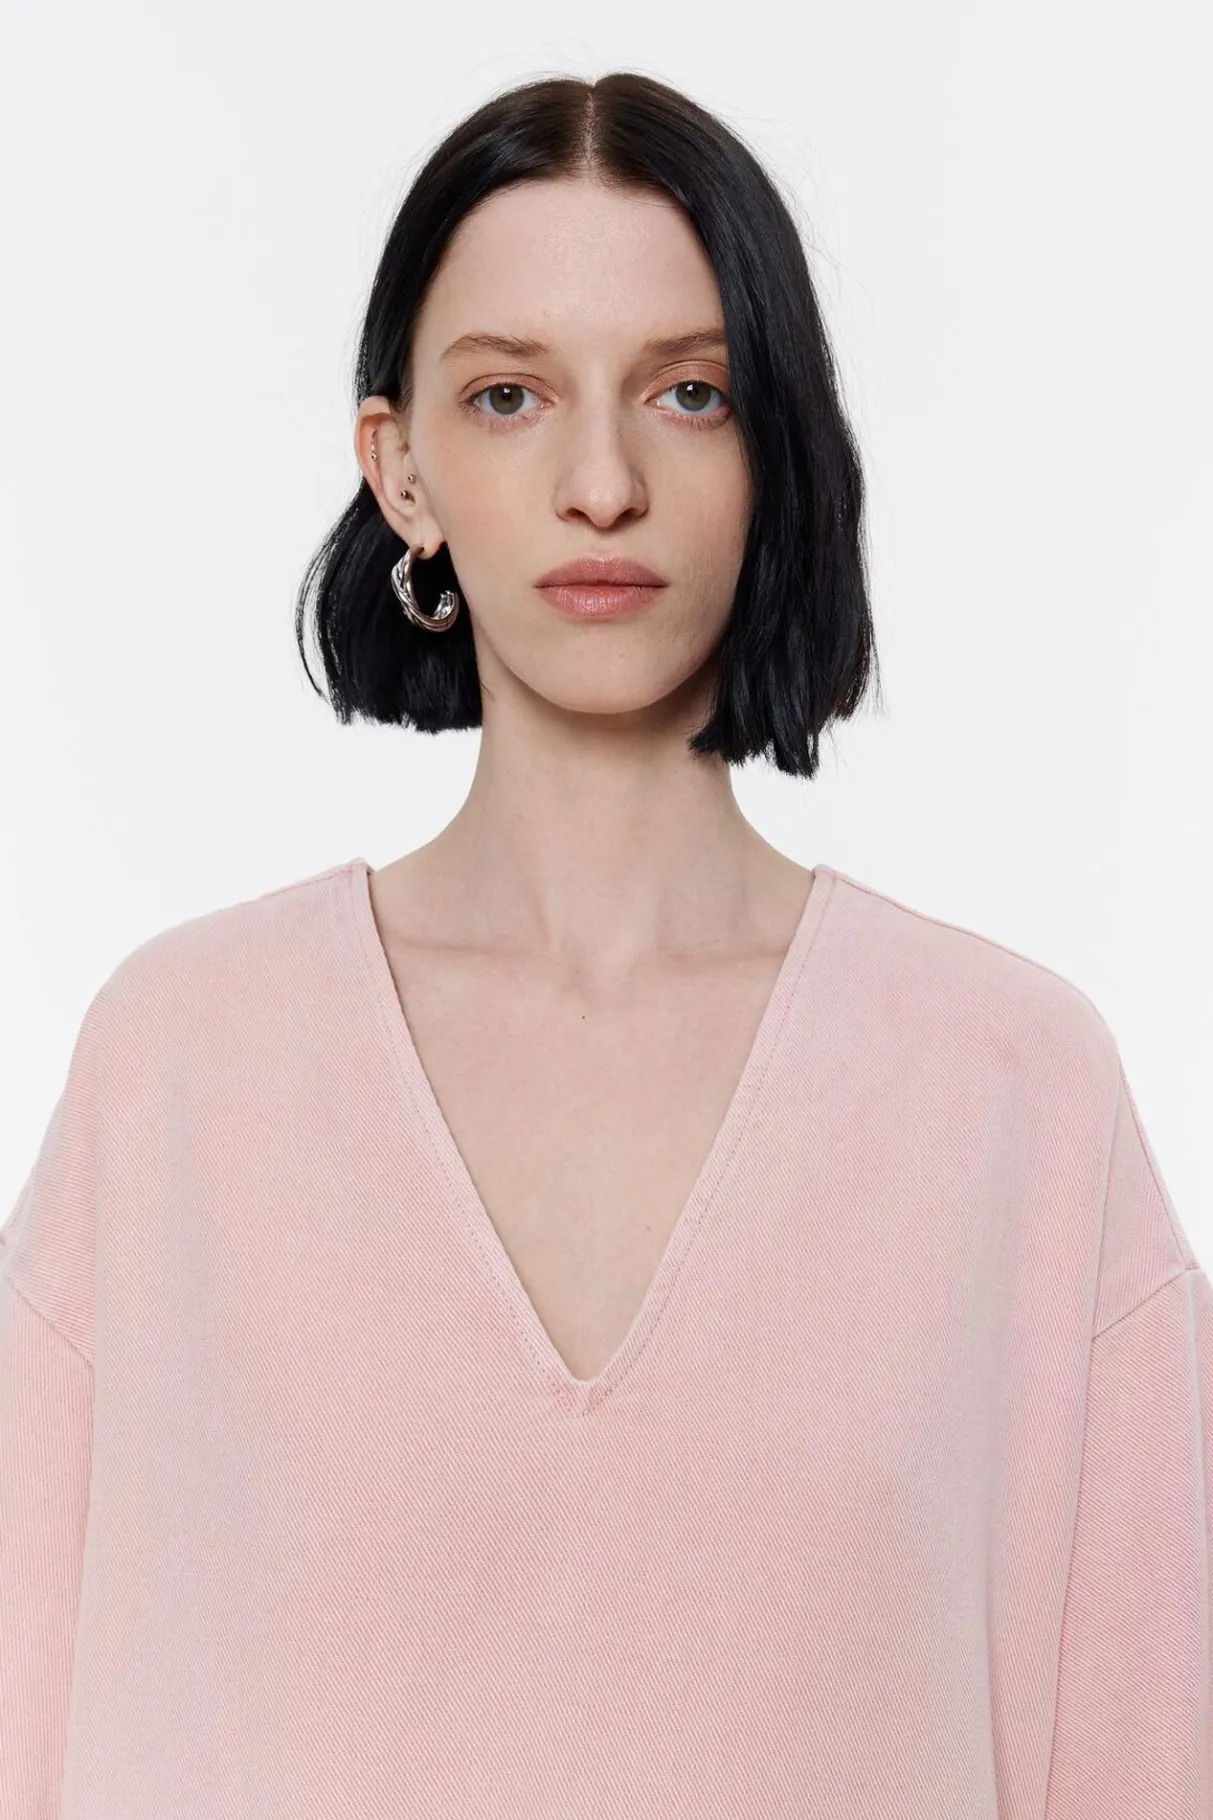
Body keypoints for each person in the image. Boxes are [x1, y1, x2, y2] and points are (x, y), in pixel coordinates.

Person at [2, 69, 1208, 1820]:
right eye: (509, 395)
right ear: (400, 469)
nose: (599, 484)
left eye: (689, 393)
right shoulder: (180, 1067)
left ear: (776, 450)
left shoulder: (1014, 1091)